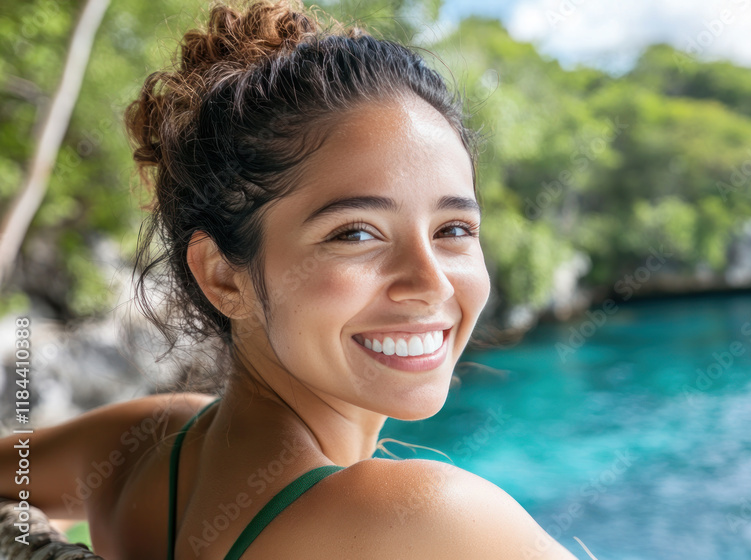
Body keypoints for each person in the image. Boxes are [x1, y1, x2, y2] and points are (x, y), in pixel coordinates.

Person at [0, 1, 580, 558]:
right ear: (225, 275)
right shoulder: (428, 518)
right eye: (355, 234)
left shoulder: (144, 448)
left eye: (454, 228)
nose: (431, 283)